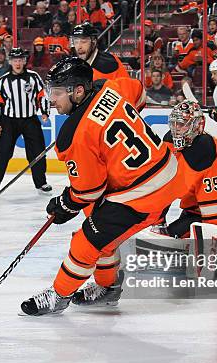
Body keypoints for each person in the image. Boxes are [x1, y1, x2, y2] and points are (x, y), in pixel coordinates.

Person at [20, 57, 185, 315]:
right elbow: (138, 91)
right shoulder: (109, 87)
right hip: (165, 171)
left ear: (78, 91)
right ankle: (108, 289)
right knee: (101, 231)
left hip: (143, 194)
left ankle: (59, 296)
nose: (51, 99)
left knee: (85, 242)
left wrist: (64, 203)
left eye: (57, 92)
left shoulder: (76, 134)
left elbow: (89, 191)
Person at [157, 101, 217, 239]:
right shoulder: (170, 140)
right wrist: (159, 220)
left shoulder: (204, 149)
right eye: (174, 123)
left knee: (177, 240)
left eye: (181, 124)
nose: (176, 129)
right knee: (169, 235)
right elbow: (164, 182)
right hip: (197, 207)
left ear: (196, 125)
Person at [0, 47, 52, 196]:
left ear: (24, 61)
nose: (17, 63)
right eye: (15, 60)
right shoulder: (3, 80)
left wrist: (44, 112)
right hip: (9, 121)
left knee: (37, 152)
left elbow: (42, 95)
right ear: (10, 61)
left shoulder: (33, 77)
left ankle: (41, 183)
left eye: (20, 60)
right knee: (3, 152)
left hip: (30, 119)